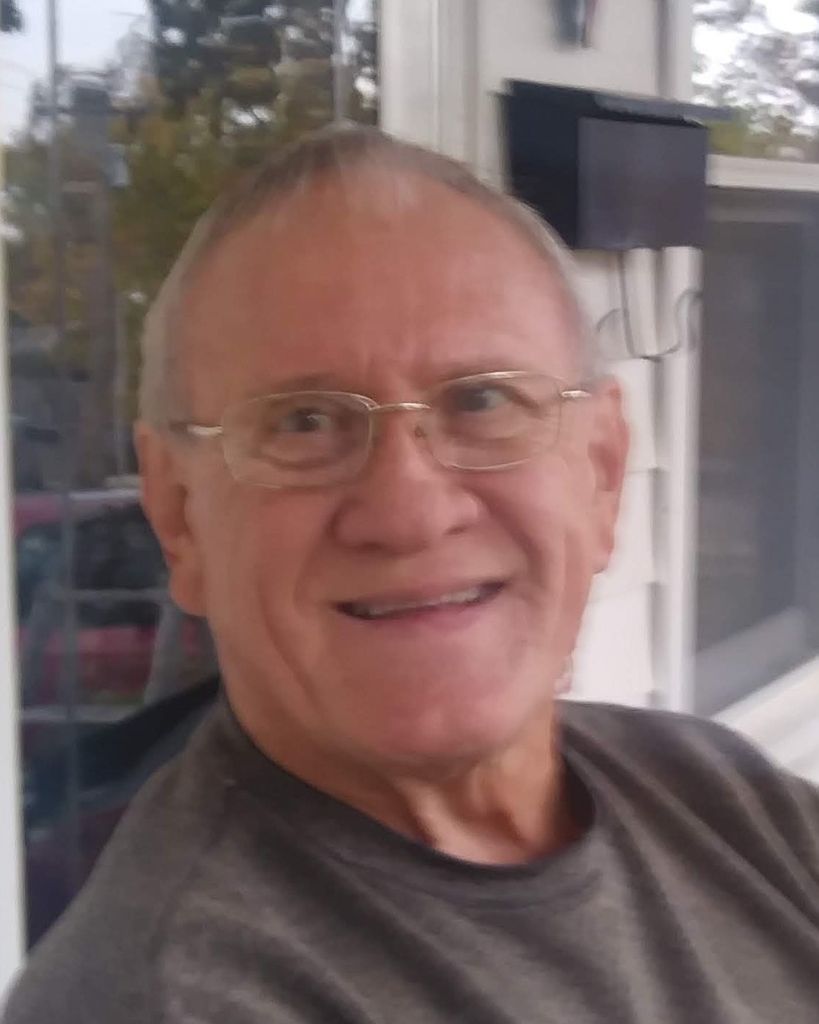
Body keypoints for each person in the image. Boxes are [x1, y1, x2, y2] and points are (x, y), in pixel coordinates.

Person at [4, 126, 819, 1024]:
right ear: (180, 517)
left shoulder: (721, 797)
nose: (408, 512)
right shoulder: (173, 996)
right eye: (304, 422)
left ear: (601, 473)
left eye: (482, 400)